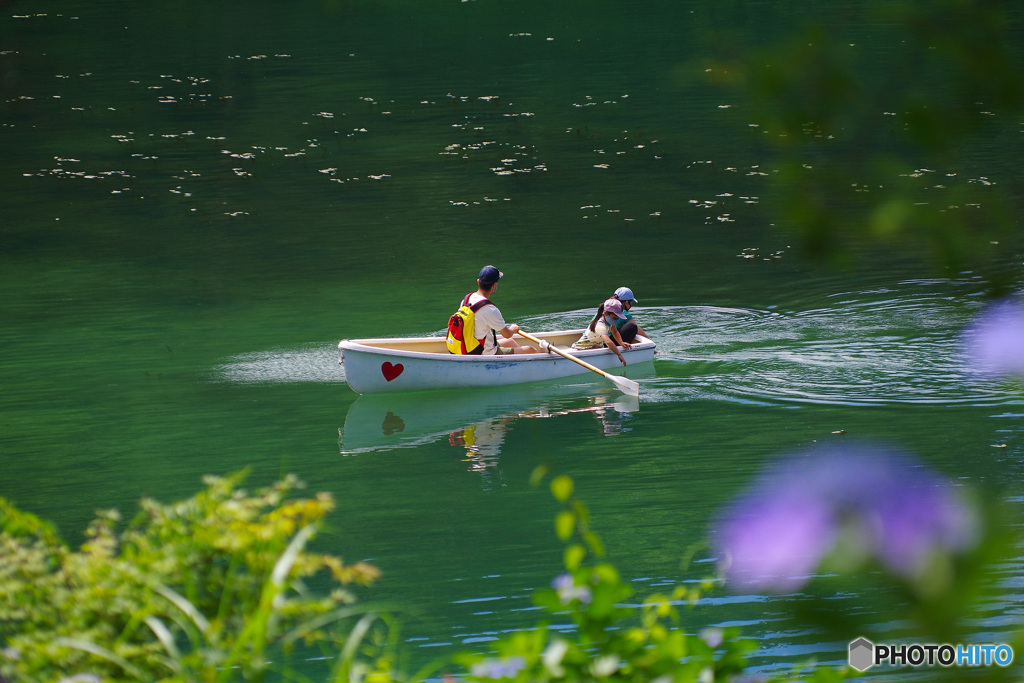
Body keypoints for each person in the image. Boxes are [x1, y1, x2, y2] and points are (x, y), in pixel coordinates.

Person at [460, 265, 539, 355]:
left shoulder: (466, 299)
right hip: (484, 352)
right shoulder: (490, 310)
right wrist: (513, 329)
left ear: (478, 282)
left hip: (469, 346)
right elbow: (507, 334)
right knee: (531, 350)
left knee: (510, 342)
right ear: (494, 286)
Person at [571, 298, 631, 365]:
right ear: (606, 313)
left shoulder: (610, 321)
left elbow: (615, 332)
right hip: (583, 348)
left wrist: (621, 343)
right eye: (615, 317)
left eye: (618, 318)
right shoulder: (600, 325)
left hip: (595, 346)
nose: (616, 320)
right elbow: (608, 341)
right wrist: (619, 354)